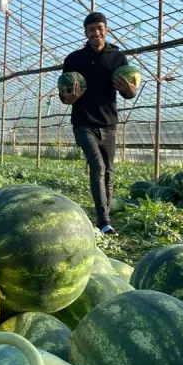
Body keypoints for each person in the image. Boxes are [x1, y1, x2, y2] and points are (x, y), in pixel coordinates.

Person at [60, 12, 137, 235]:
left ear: (106, 30)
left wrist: (130, 91)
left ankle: (106, 217)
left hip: (108, 122)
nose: (96, 33)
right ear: (86, 33)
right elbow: (64, 94)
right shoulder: (74, 59)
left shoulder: (118, 57)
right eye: (91, 29)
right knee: (98, 166)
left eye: (99, 28)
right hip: (83, 123)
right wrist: (69, 99)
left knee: (109, 171)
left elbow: (128, 92)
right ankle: (103, 221)